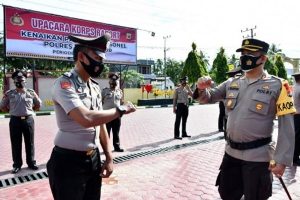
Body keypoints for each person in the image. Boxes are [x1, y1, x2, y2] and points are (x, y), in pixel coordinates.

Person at [194, 38, 295, 200]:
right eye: (243, 53)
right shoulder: (232, 82)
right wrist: (201, 88)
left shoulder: (278, 85)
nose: (245, 57)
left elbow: (287, 126)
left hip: (258, 158)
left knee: (255, 196)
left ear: (263, 58)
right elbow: (208, 97)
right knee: (227, 194)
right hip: (231, 154)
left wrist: (281, 160)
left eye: (250, 53)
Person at [46, 34, 136, 200]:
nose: (101, 64)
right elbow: (86, 118)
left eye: (102, 60)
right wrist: (120, 110)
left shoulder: (94, 87)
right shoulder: (64, 84)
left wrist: (109, 157)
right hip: (68, 162)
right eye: (97, 58)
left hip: (93, 159)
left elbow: (100, 124)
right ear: (81, 56)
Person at [0, 70, 41, 174]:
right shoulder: (9, 94)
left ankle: (31, 163)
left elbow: (38, 105)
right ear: (14, 81)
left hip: (28, 120)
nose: (20, 82)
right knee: (15, 144)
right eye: (18, 80)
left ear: (25, 81)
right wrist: (12, 112)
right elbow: (2, 107)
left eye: (22, 80)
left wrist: (30, 111)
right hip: (15, 121)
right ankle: (17, 165)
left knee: (30, 143)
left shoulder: (31, 93)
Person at [102, 73, 124, 152]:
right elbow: (100, 102)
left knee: (116, 132)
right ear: (109, 81)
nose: (113, 82)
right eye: (112, 80)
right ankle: (106, 149)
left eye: (115, 80)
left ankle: (117, 147)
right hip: (107, 115)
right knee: (106, 133)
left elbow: (120, 102)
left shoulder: (119, 92)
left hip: (116, 116)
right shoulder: (104, 91)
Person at [218, 67, 243, 137]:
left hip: (228, 106)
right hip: (225, 104)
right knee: (223, 115)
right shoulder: (227, 83)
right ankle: (221, 128)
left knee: (224, 116)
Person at [292, 72, 300, 166]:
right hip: (299, 115)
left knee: (296, 137)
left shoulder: (295, 87)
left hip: (295, 115)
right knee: (297, 138)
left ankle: (295, 157)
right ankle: (295, 158)